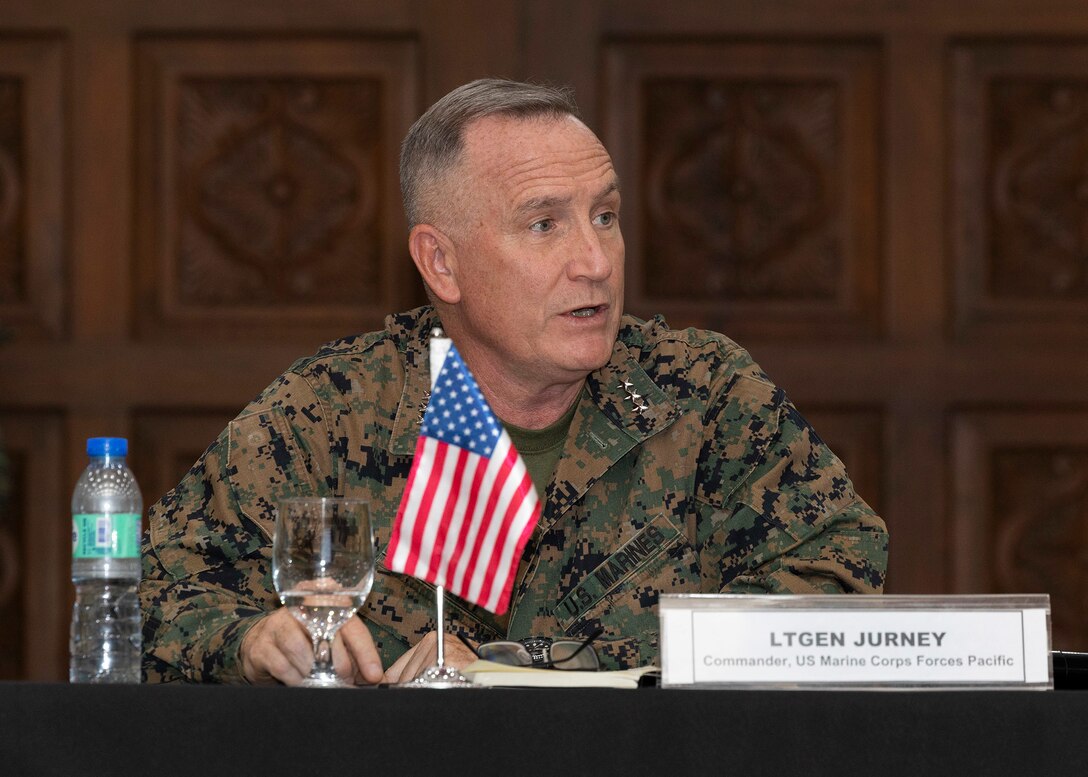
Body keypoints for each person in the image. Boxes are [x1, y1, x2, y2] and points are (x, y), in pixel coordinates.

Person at [140, 78, 888, 685]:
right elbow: (147, 598)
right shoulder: (332, 412)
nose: (595, 261)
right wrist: (247, 642)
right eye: (544, 225)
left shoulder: (703, 391)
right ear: (441, 263)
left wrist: (525, 670)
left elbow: (839, 580)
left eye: (605, 216)